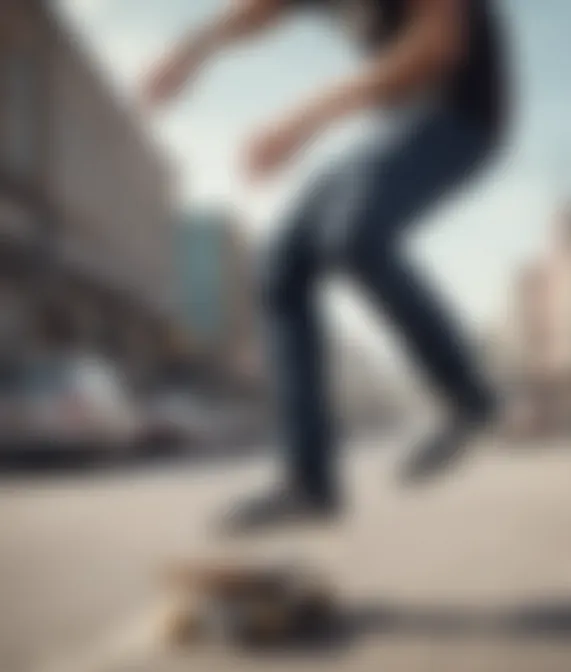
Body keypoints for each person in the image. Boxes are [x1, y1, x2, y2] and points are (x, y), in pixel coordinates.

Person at [142, 0, 509, 530]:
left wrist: (301, 122)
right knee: (281, 264)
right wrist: (189, 52)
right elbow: (256, 12)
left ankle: (469, 396)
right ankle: (308, 482)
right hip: (400, 125)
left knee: (354, 233)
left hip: (461, 117)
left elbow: (439, 44)